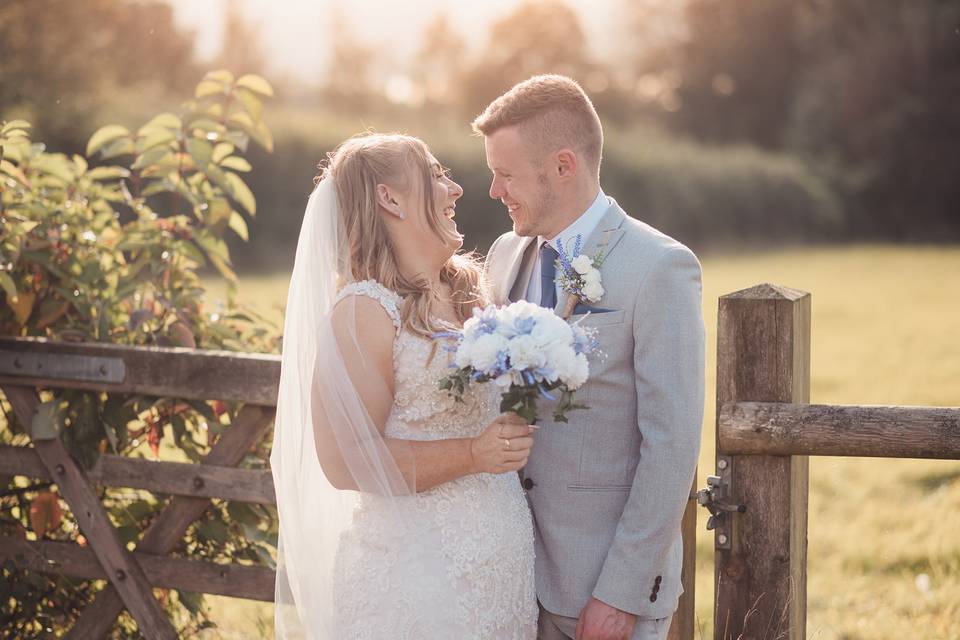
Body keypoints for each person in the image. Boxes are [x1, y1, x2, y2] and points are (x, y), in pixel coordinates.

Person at [271, 133, 538, 639]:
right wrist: (475, 453)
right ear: (389, 198)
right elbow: (345, 461)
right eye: (436, 174)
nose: (456, 188)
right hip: (413, 576)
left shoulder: (471, 295)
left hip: (501, 564)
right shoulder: (364, 311)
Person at [478, 75, 705, 640]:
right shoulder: (506, 254)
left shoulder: (660, 268)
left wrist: (620, 593)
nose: (493, 190)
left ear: (562, 165)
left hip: (600, 590)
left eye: (505, 174)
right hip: (506, 577)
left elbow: (672, 443)